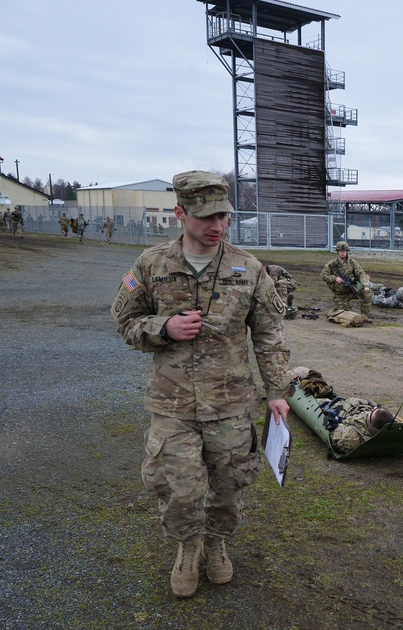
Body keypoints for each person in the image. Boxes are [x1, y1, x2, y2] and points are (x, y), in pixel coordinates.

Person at [112, 170, 293, 599]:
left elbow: (268, 335)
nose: (217, 226)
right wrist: (164, 327)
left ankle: (216, 543)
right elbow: (124, 322)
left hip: (230, 403)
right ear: (180, 213)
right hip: (172, 403)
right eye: (205, 217)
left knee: (230, 486)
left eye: (224, 217)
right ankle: (187, 548)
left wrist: (278, 393)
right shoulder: (151, 265)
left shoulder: (248, 269)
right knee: (179, 488)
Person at [321, 241, 373, 324]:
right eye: (340, 251)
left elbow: (361, 274)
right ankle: (348, 309)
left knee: (367, 294)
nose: (342, 253)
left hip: (352, 289)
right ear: (338, 252)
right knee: (341, 313)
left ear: (347, 252)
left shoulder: (352, 263)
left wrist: (365, 286)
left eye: (344, 251)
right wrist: (335, 278)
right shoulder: (331, 264)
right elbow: (323, 275)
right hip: (340, 294)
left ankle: (364, 316)